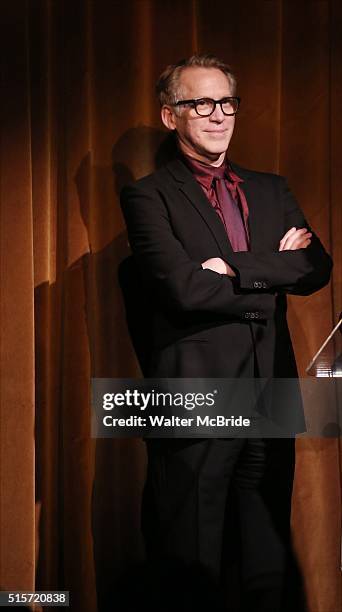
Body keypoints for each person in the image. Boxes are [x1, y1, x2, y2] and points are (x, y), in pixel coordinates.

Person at [120, 54, 332, 611]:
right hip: (198, 395)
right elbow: (182, 289)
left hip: (271, 392)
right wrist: (270, 266)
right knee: (190, 558)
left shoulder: (271, 189)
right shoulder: (149, 196)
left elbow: (316, 269)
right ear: (172, 117)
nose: (218, 115)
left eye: (227, 102)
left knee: (265, 561)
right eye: (200, 103)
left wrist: (235, 267)